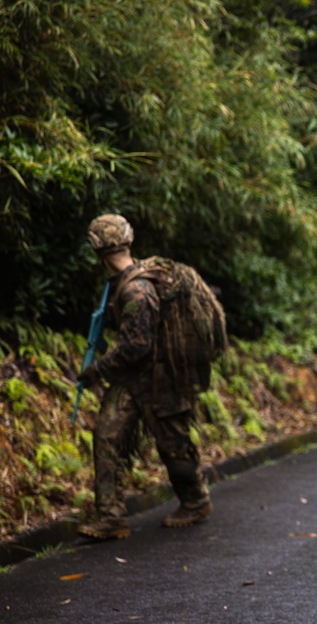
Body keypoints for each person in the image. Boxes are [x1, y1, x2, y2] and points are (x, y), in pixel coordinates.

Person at [76, 214, 213, 540]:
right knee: (106, 436)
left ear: (96, 247)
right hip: (131, 381)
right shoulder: (120, 283)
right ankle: (111, 517)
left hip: (160, 380)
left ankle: (196, 501)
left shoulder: (136, 289)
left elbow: (137, 346)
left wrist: (98, 369)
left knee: (174, 445)